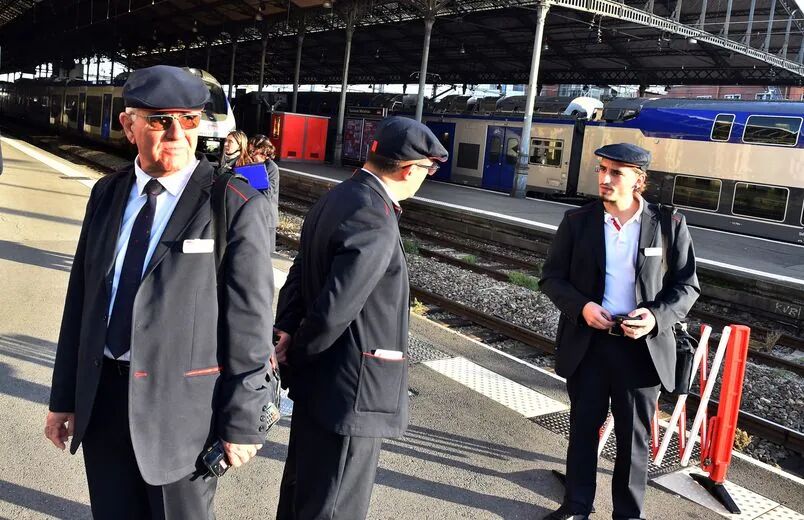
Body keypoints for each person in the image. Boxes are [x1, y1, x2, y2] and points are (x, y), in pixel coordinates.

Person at [44, 65, 275, 519]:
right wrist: (63, 398)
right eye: (159, 120)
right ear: (128, 126)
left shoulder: (233, 202)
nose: (176, 133)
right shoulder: (106, 194)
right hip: (104, 401)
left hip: (183, 414)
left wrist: (244, 419)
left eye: (188, 119)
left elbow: (250, 322)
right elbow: (81, 303)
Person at [273, 116, 447, 520]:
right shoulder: (375, 217)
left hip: (320, 388)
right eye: (428, 170)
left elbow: (300, 271)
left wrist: (286, 329)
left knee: (302, 494)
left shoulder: (337, 197)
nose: (426, 178)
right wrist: (297, 351)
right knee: (334, 505)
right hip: (350, 394)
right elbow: (335, 308)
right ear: (409, 169)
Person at [539, 143, 700, 520]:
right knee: (583, 429)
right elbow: (551, 278)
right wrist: (582, 307)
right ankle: (576, 507)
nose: (605, 178)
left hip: (641, 350)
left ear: (638, 180)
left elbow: (687, 286)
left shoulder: (668, 224)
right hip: (589, 345)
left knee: (633, 440)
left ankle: (627, 515)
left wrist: (655, 317)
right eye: (602, 169)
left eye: (616, 172)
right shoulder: (577, 221)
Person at [245, 134, 279, 251]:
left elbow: (268, 193)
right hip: (254, 215)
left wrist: (255, 172)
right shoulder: (252, 165)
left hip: (266, 218)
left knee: (264, 253)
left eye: (253, 151)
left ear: (263, 150)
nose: (251, 155)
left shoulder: (271, 167)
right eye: (250, 151)